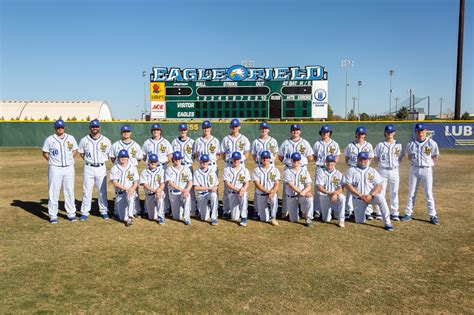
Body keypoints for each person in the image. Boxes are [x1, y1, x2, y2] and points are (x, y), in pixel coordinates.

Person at [342, 152, 394, 231]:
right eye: (361, 159)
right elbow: (348, 185)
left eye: (365, 159)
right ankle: (362, 214)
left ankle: (388, 223)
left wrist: (371, 195)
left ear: (368, 160)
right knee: (360, 221)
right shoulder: (351, 170)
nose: (363, 161)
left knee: (381, 198)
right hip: (358, 199)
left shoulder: (372, 170)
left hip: (371, 197)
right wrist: (360, 195)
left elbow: (379, 185)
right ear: (357, 159)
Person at [401, 123, 440, 225]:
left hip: (427, 170)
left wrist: (428, 163)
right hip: (414, 169)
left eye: (422, 131)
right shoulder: (411, 144)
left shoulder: (431, 143)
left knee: (428, 193)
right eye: (418, 131)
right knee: (411, 193)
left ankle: (433, 215)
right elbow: (409, 156)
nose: (420, 133)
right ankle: (408, 213)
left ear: (426, 131)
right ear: (416, 132)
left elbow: (435, 156)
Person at [42, 119, 78, 224]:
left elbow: (75, 150)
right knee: (53, 191)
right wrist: (52, 161)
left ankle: (71, 213)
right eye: (58, 127)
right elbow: (45, 152)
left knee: (69, 191)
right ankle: (53, 215)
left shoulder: (70, 138)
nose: (60, 129)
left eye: (61, 127)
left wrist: (69, 158)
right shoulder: (49, 139)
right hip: (55, 168)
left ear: (64, 128)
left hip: (69, 167)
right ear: (55, 128)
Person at [77, 119, 112, 221]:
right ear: (90, 128)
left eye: (96, 126)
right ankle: (84, 212)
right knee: (86, 190)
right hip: (89, 167)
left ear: (99, 127)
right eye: (93, 127)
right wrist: (89, 161)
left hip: (101, 167)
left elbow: (110, 154)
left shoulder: (106, 140)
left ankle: (104, 211)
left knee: (102, 191)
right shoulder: (84, 140)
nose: (95, 128)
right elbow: (81, 153)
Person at [278, 124, 314, 219]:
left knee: (303, 188)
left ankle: (304, 211)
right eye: (293, 130)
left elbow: (310, 157)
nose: (295, 131)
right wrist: (289, 162)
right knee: (287, 191)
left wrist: (301, 162)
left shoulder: (305, 143)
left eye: (297, 130)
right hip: (289, 168)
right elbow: (280, 157)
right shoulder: (286, 143)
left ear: (300, 131)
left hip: (301, 168)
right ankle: (285, 211)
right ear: (291, 131)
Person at [110, 124, 143, 216]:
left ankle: (135, 211)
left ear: (130, 133)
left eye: (127, 131)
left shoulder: (135, 145)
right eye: (124, 132)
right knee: (118, 192)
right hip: (119, 170)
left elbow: (139, 158)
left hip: (131, 170)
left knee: (134, 191)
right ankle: (117, 211)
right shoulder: (116, 145)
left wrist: (131, 166)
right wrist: (119, 167)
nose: (126, 133)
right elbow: (112, 158)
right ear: (121, 133)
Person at [221, 119, 251, 218]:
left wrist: (241, 160)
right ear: (230, 127)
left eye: (236, 126)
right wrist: (228, 161)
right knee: (227, 190)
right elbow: (222, 153)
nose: (235, 128)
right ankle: (226, 210)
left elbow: (247, 153)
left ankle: (243, 211)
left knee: (242, 187)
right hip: (229, 164)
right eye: (233, 126)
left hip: (240, 165)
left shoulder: (244, 139)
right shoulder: (226, 139)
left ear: (239, 127)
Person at [373, 124, 403, 221]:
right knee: (381, 192)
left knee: (394, 192)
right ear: (385, 133)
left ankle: (394, 213)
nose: (389, 134)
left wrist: (395, 164)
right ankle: (379, 212)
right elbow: (376, 157)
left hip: (394, 170)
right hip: (383, 170)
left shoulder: (398, 145)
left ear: (394, 133)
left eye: (391, 132)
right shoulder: (380, 145)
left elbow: (401, 157)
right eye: (388, 132)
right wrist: (381, 166)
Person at [343, 126, 374, 220]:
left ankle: (368, 212)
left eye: (362, 134)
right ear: (356, 134)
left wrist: (365, 166)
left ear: (365, 135)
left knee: (366, 189)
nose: (361, 135)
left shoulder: (368, 145)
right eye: (359, 134)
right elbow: (346, 158)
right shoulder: (350, 145)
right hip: (353, 169)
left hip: (364, 170)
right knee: (350, 191)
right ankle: (349, 211)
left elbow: (371, 157)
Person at [142, 123, 173, 215]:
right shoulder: (147, 142)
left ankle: (165, 209)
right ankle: (148, 208)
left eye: (157, 130)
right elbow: (143, 156)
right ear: (152, 131)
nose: (155, 131)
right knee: (148, 187)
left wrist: (162, 163)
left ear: (160, 131)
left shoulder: (165, 142)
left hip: (161, 167)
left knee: (164, 188)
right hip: (150, 167)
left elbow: (170, 156)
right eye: (154, 130)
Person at [251, 121, 279, 219]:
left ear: (268, 130)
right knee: (258, 189)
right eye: (262, 128)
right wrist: (259, 162)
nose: (264, 130)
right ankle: (257, 210)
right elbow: (254, 155)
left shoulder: (273, 141)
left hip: (270, 166)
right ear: (260, 130)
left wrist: (270, 162)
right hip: (259, 166)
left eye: (265, 128)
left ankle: (273, 210)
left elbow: (275, 154)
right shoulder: (256, 141)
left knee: (272, 185)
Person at [312, 124, 341, 219]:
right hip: (320, 167)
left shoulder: (334, 144)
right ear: (321, 133)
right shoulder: (317, 143)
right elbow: (314, 156)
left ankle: (333, 209)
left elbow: (337, 156)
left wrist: (332, 166)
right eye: (324, 132)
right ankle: (317, 210)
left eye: (327, 132)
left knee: (332, 187)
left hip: (331, 168)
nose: (325, 133)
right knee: (318, 190)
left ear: (330, 133)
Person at [172, 123, 197, 216]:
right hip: (178, 166)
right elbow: (172, 155)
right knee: (178, 186)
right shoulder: (174, 141)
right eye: (181, 129)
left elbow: (195, 155)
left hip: (187, 166)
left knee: (190, 188)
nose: (183, 131)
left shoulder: (192, 141)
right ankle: (178, 208)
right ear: (179, 130)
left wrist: (189, 162)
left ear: (187, 130)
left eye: (185, 129)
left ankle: (192, 210)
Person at [283, 152, 314, 227]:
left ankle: (308, 218)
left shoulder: (304, 171)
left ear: (300, 161)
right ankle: (299, 213)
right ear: (291, 161)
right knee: (294, 219)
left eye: (297, 160)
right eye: (294, 160)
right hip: (291, 196)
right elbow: (291, 185)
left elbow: (309, 185)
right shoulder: (287, 172)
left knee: (309, 198)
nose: (296, 162)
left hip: (301, 196)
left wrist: (304, 192)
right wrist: (303, 192)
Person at [110, 149, 139, 227]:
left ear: (127, 157)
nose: (123, 158)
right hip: (120, 193)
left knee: (131, 196)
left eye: (125, 156)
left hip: (130, 191)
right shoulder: (115, 168)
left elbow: (136, 181)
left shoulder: (132, 167)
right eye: (121, 157)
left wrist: (132, 189)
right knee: (122, 218)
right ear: (118, 158)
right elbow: (115, 182)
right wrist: (127, 189)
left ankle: (130, 216)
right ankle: (127, 217)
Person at [315, 155, 346, 227]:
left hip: (335, 196)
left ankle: (341, 220)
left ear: (335, 163)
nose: (330, 163)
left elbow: (341, 188)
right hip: (324, 196)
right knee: (326, 219)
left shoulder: (338, 173)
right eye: (328, 161)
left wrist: (335, 194)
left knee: (342, 197)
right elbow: (319, 187)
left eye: (332, 161)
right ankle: (332, 211)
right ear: (325, 162)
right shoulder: (321, 172)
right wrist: (329, 193)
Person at [252, 151, 280, 226]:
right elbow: (257, 184)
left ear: (270, 159)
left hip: (272, 193)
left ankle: (273, 217)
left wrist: (273, 192)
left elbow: (277, 183)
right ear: (261, 159)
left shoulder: (275, 170)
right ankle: (267, 213)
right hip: (261, 194)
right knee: (264, 219)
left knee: (274, 199)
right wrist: (268, 191)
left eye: (267, 158)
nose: (265, 159)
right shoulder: (256, 170)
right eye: (264, 158)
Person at [223, 152, 250, 226]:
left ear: (240, 159)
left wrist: (243, 190)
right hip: (232, 193)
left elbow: (247, 183)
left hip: (242, 192)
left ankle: (244, 217)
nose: (236, 161)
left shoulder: (245, 170)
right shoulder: (227, 170)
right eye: (234, 159)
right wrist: (238, 190)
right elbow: (228, 184)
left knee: (244, 195)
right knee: (234, 217)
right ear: (232, 159)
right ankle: (238, 209)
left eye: (237, 159)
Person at [165, 151, 193, 225]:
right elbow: (170, 183)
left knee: (187, 196)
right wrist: (182, 189)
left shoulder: (186, 169)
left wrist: (187, 190)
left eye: (178, 158)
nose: (177, 160)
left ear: (181, 159)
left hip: (183, 193)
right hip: (173, 193)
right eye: (175, 159)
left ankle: (187, 218)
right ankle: (180, 209)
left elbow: (190, 181)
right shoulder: (169, 170)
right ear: (173, 159)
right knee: (176, 217)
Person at [139, 153, 166, 224]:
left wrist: (159, 190)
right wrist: (154, 190)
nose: (153, 163)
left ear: (157, 162)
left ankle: (161, 216)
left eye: (155, 161)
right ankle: (154, 214)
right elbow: (145, 184)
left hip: (158, 192)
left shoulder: (161, 171)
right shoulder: (144, 172)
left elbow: (163, 183)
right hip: (149, 194)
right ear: (149, 162)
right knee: (151, 217)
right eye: (151, 161)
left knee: (160, 196)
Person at [193, 154, 219, 225]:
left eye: (206, 161)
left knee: (214, 195)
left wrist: (214, 188)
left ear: (208, 162)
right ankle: (204, 208)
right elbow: (196, 187)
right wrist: (209, 188)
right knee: (204, 218)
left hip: (209, 193)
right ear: (200, 162)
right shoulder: (196, 172)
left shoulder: (212, 172)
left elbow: (216, 185)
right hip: (201, 195)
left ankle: (214, 217)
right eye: (203, 161)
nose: (204, 163)